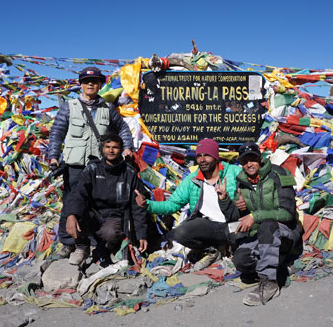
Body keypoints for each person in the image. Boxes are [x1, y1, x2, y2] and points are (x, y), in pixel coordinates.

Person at [48, 66, 134, 256]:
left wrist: (127, 147)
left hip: (99, 166)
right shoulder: (69, 107)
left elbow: (123, 129)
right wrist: (53, 156)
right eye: (87, 81)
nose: (90, 84)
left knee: (95, 204)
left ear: (100, 85)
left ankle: (91, 239)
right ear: (81, 84)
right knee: (72, 201)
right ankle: (68, 241)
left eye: (94, 82)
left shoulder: (107, 108)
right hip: (75, 164)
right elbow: (56, 133)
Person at [135, 138, 241, 270]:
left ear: (215, 157)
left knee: (241, 257)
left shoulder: (234, 172)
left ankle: (230, 248)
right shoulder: (192, 180)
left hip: (235, 222)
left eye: (207, 155)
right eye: (199, 156)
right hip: (210, 225)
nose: (202, 160)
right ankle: (212, 250)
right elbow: (172, 204)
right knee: (181, 233)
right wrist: (148, 205)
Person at [231, 141, 303, 306]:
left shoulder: (279, 174)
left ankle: (270, 283)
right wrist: (239, 206)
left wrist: (255, 216)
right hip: (263, 235)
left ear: (260, 158)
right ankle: (281, 265)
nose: (249, 164)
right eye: (244, 161)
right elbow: (244, 216)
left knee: (267, 225)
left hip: (286, 233)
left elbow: (288, 213)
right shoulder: (242, 181)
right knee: (241, 260)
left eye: (253, 159)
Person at [63, 133, 147, 265]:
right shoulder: (92, 169)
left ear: (121, 150)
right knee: (72, 213)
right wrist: (71, 215)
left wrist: (142, 235)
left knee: (110, 233)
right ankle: (82, 247)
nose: (111, 150)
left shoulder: (129, 173)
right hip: (94, 213)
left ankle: (110, 247)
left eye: (115, 147)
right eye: (108, 147)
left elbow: (138, 206)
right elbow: (78, 193)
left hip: (115, 216)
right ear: (103, 149)